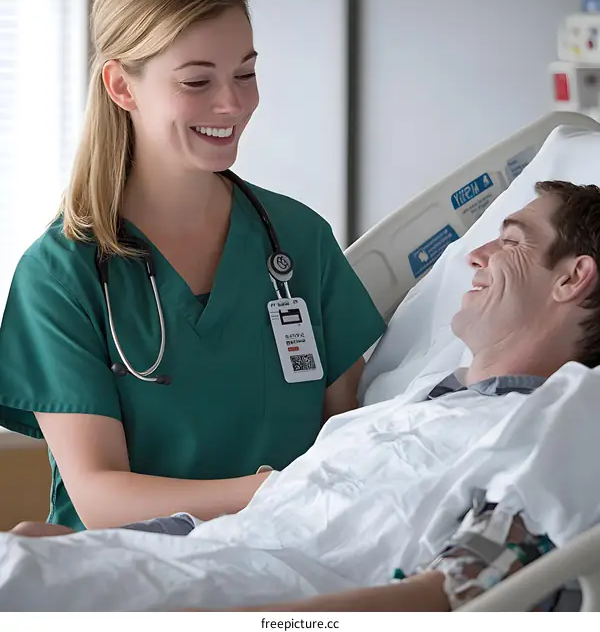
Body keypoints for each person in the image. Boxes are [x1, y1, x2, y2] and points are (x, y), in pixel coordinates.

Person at [3, 179, 600, 613]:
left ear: (573, 277)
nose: (476, 253)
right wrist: (112, 547)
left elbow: (455, 594)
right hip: (200, 564)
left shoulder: (566, 416)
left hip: (261, 601)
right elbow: (276, 521)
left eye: (513, 242)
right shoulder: (409, 405)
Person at [0, 0, 386, 532]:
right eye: (197, 81)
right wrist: (277, 492)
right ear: (122, 87)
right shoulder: (61, 275)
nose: (231, 103)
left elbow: (349, 435)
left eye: (245, 73)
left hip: (299, 564)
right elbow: (101, 498)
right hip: (132, 577)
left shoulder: (299, 241)